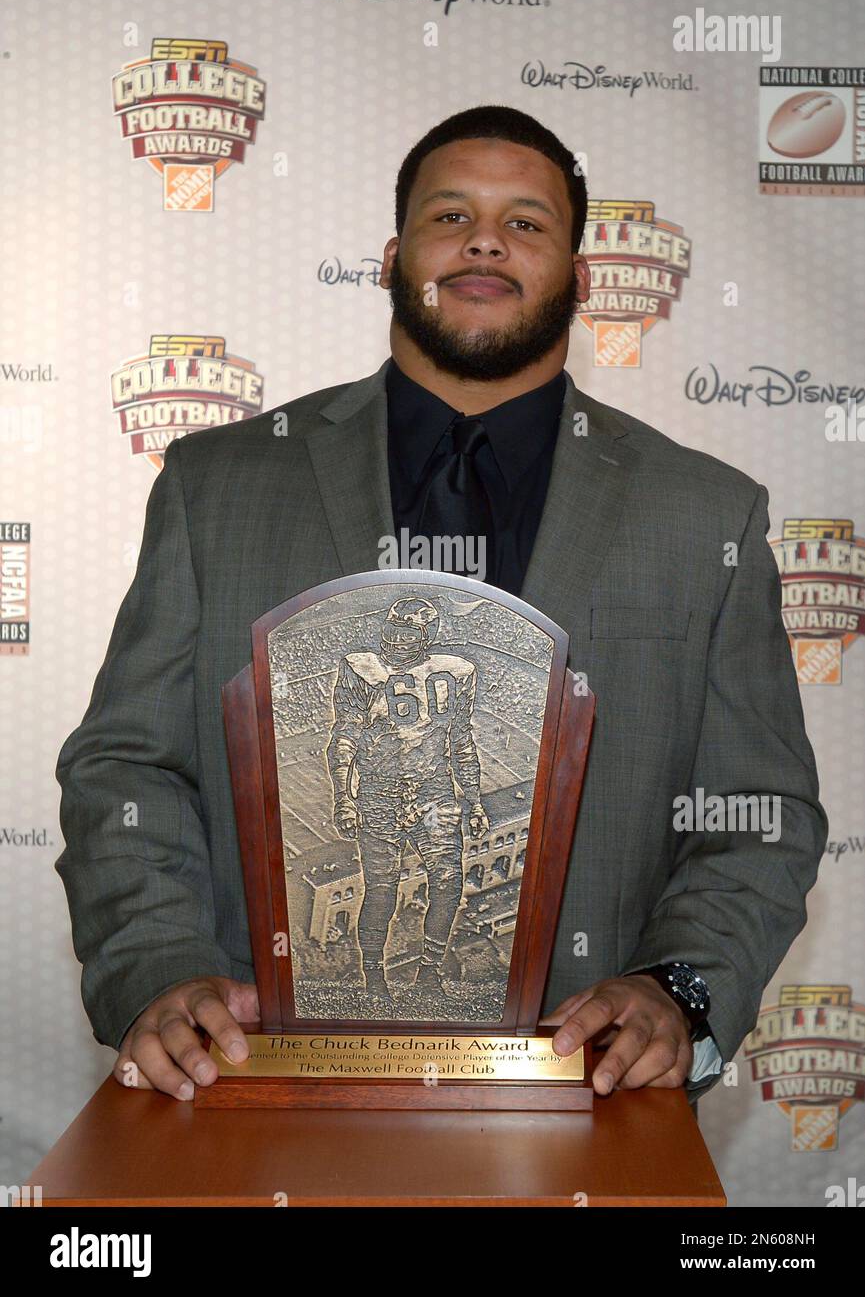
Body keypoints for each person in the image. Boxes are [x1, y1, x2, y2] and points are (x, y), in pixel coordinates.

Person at [55, 104, 828, 1110]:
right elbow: (127, 766)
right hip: (256, 1087)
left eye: (527, 223)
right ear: (391, 258)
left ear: (580, 279)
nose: (484, 239)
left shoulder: (702, 515)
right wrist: (160, 969)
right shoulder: (221, 484)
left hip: (579, 1100)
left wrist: (675, 990)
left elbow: (756, 814)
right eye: (450, 214)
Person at [326, 596, 488, 1008]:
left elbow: (461, 741)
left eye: (408, 633)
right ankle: (374, 978)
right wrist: (344, 796)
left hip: (432, 792)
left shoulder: (455, 673)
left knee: (449, 882)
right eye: (393, 630)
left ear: (426, 637)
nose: (397, 641)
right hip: (379, 791)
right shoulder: (361, 669)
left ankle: (429, 974)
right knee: (382, 890)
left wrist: (473, 799)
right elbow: (345, 736)